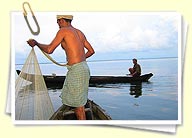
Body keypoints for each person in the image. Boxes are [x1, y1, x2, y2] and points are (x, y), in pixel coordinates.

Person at [27, 15, 95, 120]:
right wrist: (79, 59)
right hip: (84, 68)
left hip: (76, 70)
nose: (57, 24)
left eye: (58, 22)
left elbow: (50, 49)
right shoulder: (79, 32)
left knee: (78, 107)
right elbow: (91, 51)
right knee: (78, 103)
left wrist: (36, 43)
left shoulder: (63, 31)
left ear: (62, 20)